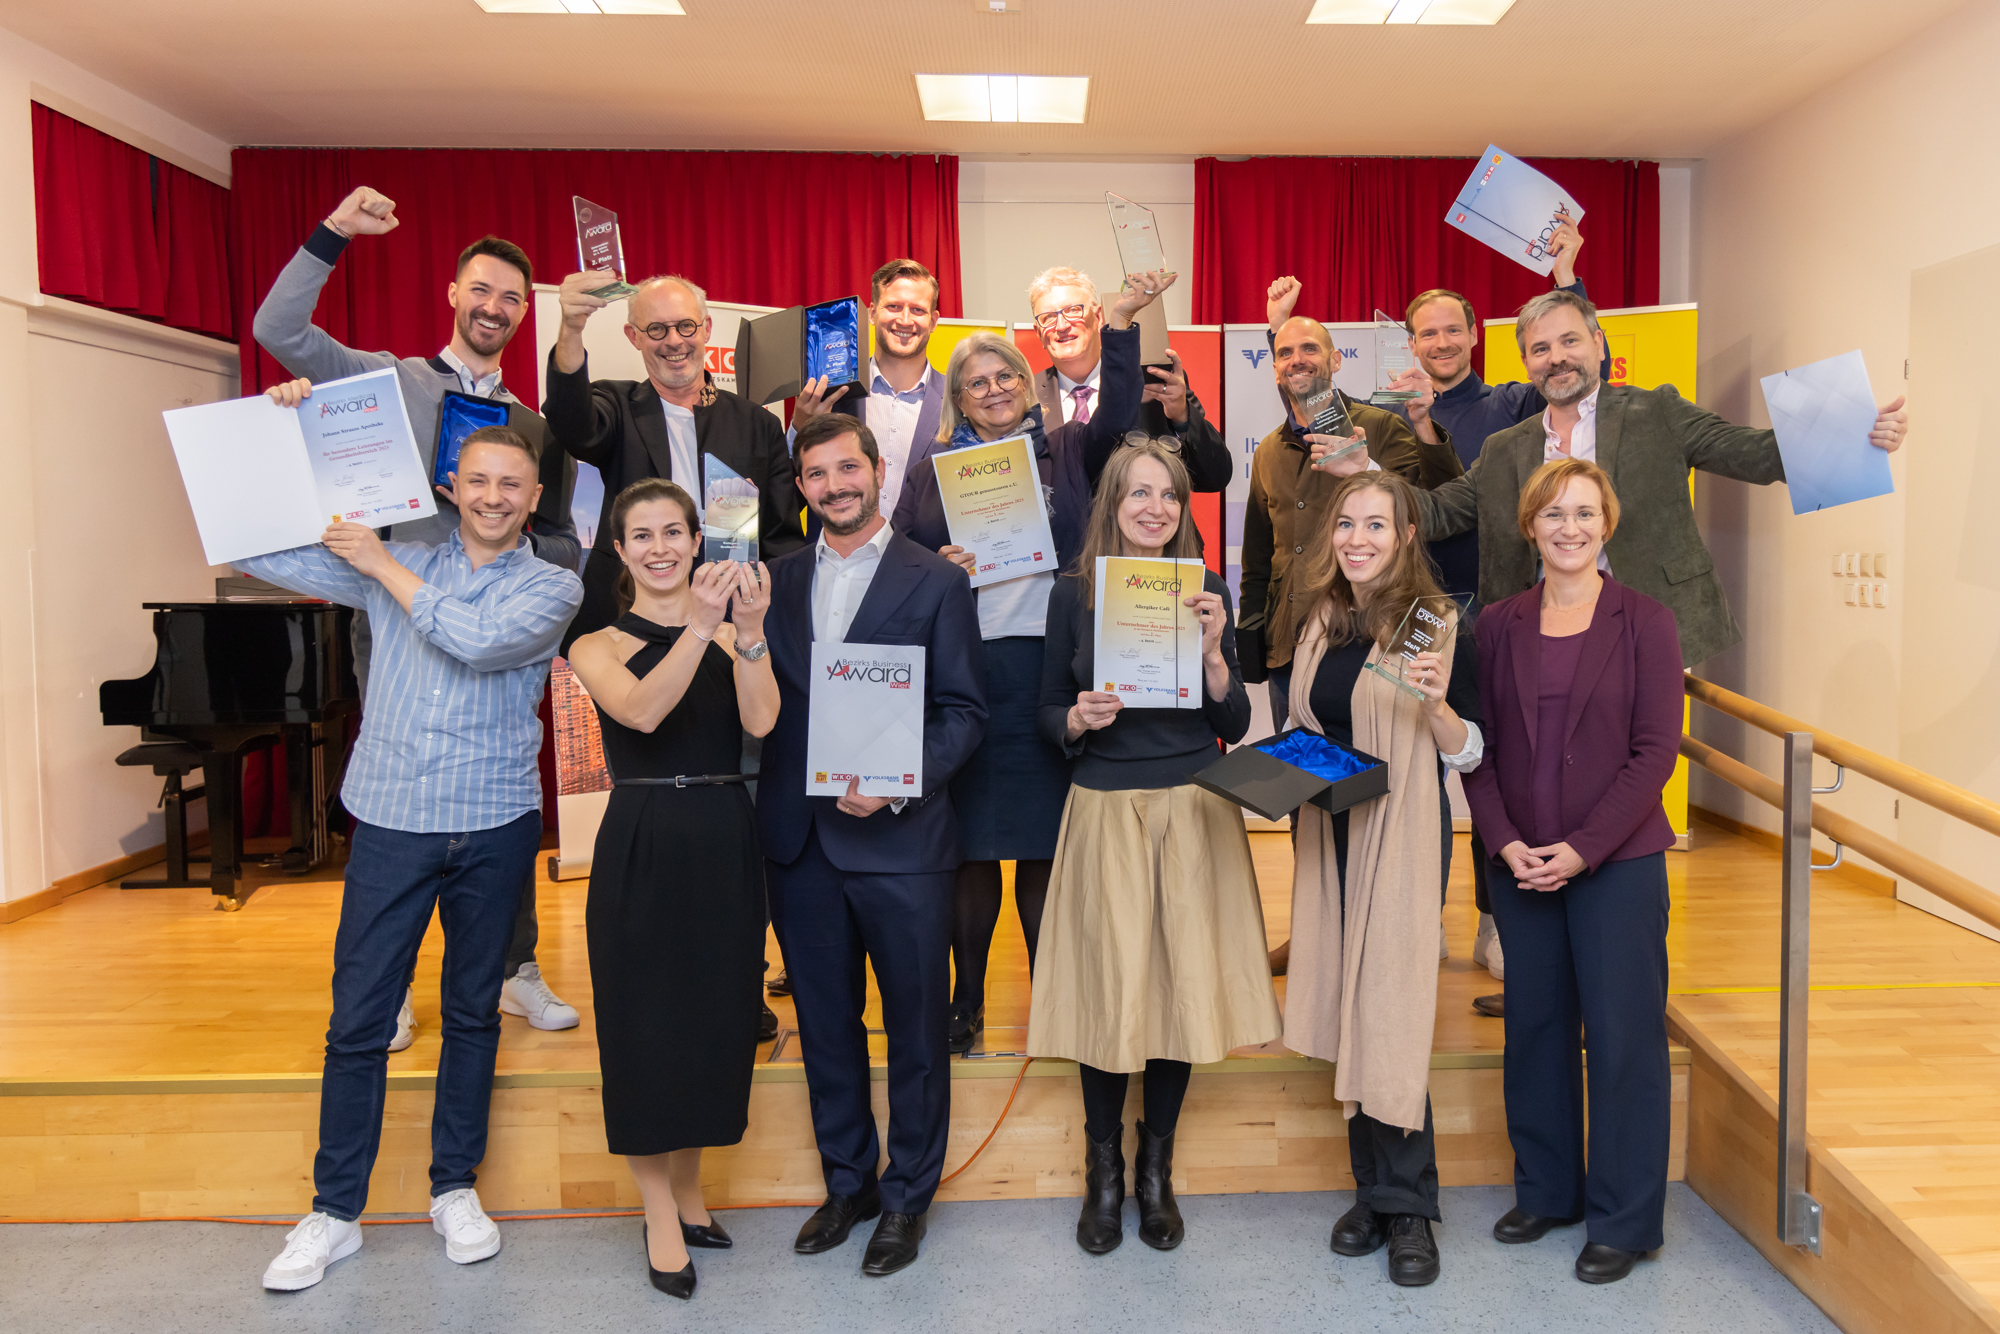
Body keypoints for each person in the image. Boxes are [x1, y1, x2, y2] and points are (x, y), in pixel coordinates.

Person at [241, 394, 583, 1292]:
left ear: (535, 492)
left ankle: (453, 1189)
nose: (495, 496)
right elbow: (249, 546)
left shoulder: (551, 583)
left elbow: (472, 639)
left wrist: (380, 562)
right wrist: (286, 439)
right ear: (449, 486)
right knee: (357, 1022)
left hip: (493, 822)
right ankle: (333, 1211)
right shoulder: (402, 557)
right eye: (479, 482)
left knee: (472, 1013)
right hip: (390, 819)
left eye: (512, 484)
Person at [253, 186, 584, 1043]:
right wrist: (332, 234)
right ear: (453, 294)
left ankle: (514, 967)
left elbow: (554, 534)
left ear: (523, 314)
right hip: (396, 618)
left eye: (513, 298)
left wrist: (529, 602)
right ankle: (393, 982)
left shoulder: (530, 423)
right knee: (403, 793)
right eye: (482, 289)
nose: (495, 307)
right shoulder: (387, 380)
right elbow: (278, 333)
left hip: (498, 636)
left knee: (503, 789)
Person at [1264, 221, 1594, 1010]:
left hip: (1459, 606)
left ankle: (1475, 920)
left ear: (1478, 338)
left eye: (1454, 329)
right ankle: (1337, 927)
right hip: (1365, 618)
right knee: (1338, 758)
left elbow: (1450, 502)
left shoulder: (1516, 407)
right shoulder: (1366, 427)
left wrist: (1567, 281)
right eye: (1426, 332)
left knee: (1442, 765)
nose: (1441, 342)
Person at [1315, 287, 1911, 670]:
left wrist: (1854, 433)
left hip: (1642, 630)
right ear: (1526, 363)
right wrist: (1361, 469)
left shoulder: (1658, 412)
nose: (1557, 357)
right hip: (1536, 635)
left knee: (1631, 775)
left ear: (1598, 344)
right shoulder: (1505, 449)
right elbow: (1439, 512)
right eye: (1541, 348)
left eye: (1570, 340)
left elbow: (1753, 454)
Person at [892, 271, 1169, 1052]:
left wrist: (1119, 325)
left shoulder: (1071, 449)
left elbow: (1121, 411)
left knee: (1046, 842)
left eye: (1004, 376)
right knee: (974, 846)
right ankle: (968, 1000)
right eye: (974, 382)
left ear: (1027, 384)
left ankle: (1053, 998)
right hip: (969, 673)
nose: (991, 389)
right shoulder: (930, 474)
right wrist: (936, 559)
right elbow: (901, 559)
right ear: (960, 397)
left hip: (1051, 669)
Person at [1030, 440, 1280, 1256]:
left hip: (1193, 808)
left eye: (1168, 496)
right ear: (1113, 503)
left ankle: (1154, 1172)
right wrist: (1077, 718)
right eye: (1138, 494)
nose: (1154, 508)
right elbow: (1044, 714)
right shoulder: (1075, 595)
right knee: (1111, 989)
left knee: (1178, 988)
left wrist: (1213, 655)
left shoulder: (1206, 589)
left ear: (1182, 507)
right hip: (1104, 804)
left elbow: (1236, 725)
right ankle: (1103, 1173)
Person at [756, 414, 986, 1278]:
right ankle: (848, 1182)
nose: (834, 486)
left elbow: (966, 714)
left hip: (902, 842)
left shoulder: (936, 580)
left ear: (878, 470)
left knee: (917, 1032)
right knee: (824, 1026)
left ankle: (907, 1197)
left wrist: (897, 778)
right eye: (815, 475)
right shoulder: (770, 583)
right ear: (802, 487)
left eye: (847, 468)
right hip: (801, 843)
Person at [1460, 458, 1682, 1285]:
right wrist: (1504, 841)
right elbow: (1474, 749)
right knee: (1537, 1030)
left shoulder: (1645, 621)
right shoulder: (1499, 625)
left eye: (1584, 512)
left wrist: (1585, 847)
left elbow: (1655, 751)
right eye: (1553, 514)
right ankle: (1549, 1191)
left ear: (1607, 523)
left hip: (1616, 864)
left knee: (1623, 1041)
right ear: (1529, 525)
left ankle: (1625, 1221)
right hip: (1521, 859)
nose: (1569, 527)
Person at [566, 478, 777, 1299]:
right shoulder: (597, 644)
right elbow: (645, 714)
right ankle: (658, 1209)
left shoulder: (726, 636)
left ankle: (690, 1190)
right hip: (645, 838)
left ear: (698, 542)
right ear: (619, 553)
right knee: (645, 1030)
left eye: (673, 533)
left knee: (713, 1022)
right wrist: (700, 626)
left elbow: (761, 723)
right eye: (641, 536)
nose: (660, 548)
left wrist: (749, 635)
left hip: (725, 834)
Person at [1275, 472, 1483, 1287]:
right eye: (1347, 524)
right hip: (1328, 831)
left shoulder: (1431, 618)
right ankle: (1373, 1191)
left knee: (1389, 1009)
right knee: (1343, 1003)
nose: (1359, 539)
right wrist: (1263, 771)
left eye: (1377, 525)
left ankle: (1410, 1208)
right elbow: (1305, 727)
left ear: (1404, 537)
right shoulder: (1322, 620)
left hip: (1398, 836)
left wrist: (1436, 709)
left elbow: (1468, 750)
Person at [544, 270, 808, 650]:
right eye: (656, 330)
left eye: (686, 326)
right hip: (631, 609)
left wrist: (781, 622)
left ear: (706, 329)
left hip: (730, 619)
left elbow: (781, 535)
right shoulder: (616, 406)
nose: (674, 342)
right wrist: (570, 328)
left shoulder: (757, 423)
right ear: (633, 336)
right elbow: (572, 423)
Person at [1237, 316, 1462, 723]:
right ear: (1274, 369)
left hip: (1367, 642)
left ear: (1336, 360)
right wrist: (1254, 641)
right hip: (1287, 649)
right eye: (1284, 353)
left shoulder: (1379, 426)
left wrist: (1422, 425)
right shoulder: (1268, 451)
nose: (1296, 360)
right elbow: (1259, 560)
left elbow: (1437, 506)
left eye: (1310, 349)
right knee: (1296, 778)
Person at [1020, 265, 1232, 496]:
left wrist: (1182, 415)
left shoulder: (1154, 380)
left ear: (1099, 316)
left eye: (1073, 310)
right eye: (1048, 317)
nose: (1061, 326)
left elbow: (1215, 476)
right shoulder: (1023, 400)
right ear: (1038, 331)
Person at [787, 258, 948, 519]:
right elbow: (787, 499)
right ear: (871, 313)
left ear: (933, 320)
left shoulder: (956, 402)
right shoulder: (829, 395)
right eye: (893, 306)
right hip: (837, 557)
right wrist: (799, 428)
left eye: (918, 310)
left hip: (925, 558)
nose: (905, 320)